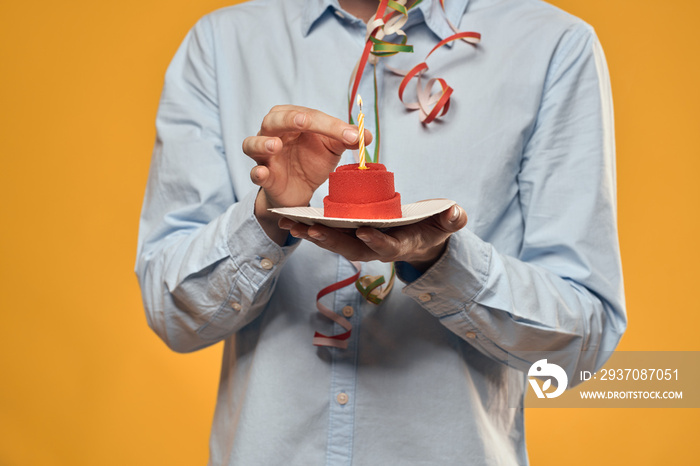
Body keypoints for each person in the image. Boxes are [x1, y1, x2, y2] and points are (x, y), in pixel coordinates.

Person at [136, 0, 627, 464]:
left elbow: (582, 342)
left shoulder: (553, 46)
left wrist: (444, 263)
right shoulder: (222, 44)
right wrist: (265, 218)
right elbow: (172, 315)